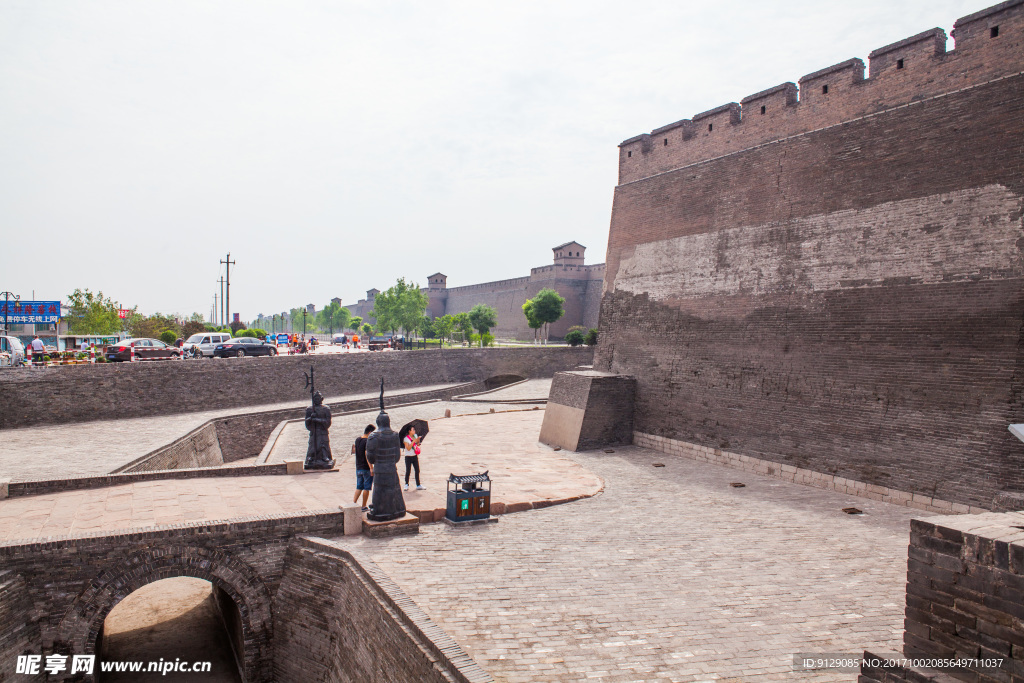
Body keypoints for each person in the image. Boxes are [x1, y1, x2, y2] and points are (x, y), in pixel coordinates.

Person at [352, 424, 376, 511]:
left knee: (359, 487)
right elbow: (367, 454)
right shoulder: (367, 441)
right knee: (366, 487)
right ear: (370, 432)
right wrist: (371, 467)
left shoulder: (358, 439)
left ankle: (353, 504)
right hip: (366, 468)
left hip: (358, 467)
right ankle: (363, 506)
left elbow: (355, 451)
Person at [403, 425, 425, 491]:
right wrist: (413, 441)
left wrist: (418, 441)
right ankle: (406, 484)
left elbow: (417, 445)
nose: (414, 431)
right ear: (409, 431)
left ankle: (418, 484)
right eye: (413, 430)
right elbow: (408, 448)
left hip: (414, 456)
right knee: (408, 471)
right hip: (408, 457)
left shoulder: (415, 436)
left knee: (417, 470)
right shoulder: (406, 439)